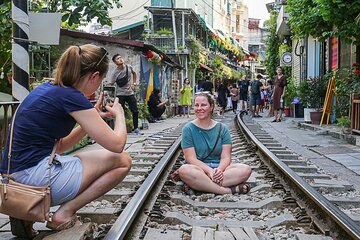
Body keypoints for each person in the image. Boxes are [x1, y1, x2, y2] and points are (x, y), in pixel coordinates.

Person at [0, 44, 131, 237]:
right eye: (101, 80)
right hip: (33, 177)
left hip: (12, 176)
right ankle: (64, 213)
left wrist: (91, 119)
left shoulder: (48, 88)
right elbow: (117, 145)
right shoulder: (72, 96)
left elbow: (60, 147)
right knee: (123, 161)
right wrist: (119, 115)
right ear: (94, 76)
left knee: (73, 159)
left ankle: (23, 213)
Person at [176, 92, 252, 194]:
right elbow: (191, 159)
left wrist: (219, 170)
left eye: (203, 105)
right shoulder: (188, 129)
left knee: (245, 169)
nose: (199, 108)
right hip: (198, 169)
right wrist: (209, 171)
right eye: (196, 105)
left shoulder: (222, 128)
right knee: (184, 170)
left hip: (220, 170)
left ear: (211, 107)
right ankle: (227, 191)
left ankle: (202, 185)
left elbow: (226, 157)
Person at [109, 53, 141, 135]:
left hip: (130, 92)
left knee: (135, 111)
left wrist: (134, 83)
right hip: (120, 94)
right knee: (121, 112)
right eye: (118, 59)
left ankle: (136, 128)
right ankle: (121, 130)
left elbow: (134, 73)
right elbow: (111, 83)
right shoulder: (115, 72)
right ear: (115, 62)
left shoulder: (129, 67)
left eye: (120, 57)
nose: (120, 59)